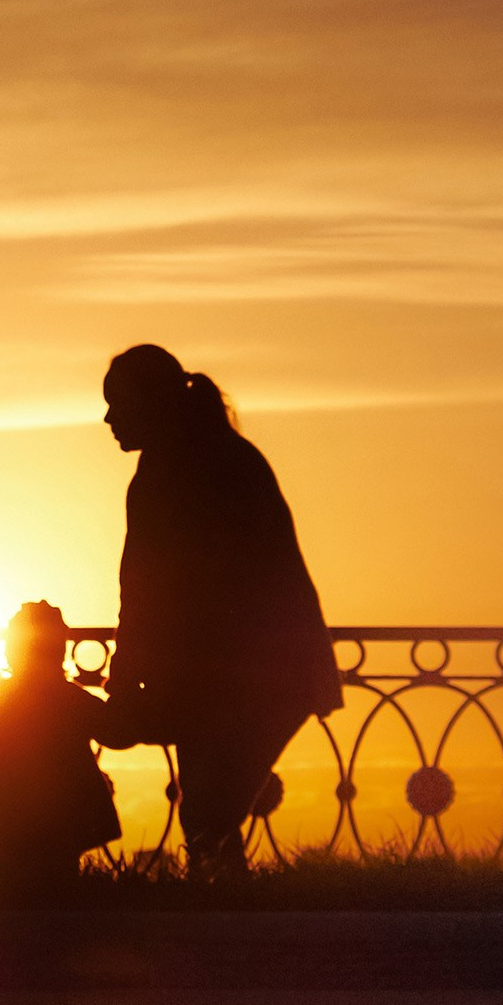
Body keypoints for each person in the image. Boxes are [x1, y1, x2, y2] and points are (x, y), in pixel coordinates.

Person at [94, 344, 341, 877]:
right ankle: (225, 904)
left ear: (151, 402)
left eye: (118, 403)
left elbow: (147, 589)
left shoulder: (177, 469)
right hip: (256, 669)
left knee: (210, 808)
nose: (109, 418)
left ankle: (222, 906)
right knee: (210, 809)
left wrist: (126, 683)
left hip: (245, 673)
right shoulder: (208, 456)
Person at [0, 602, 122, 892]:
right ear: (59, 650)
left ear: (12, 652)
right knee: (61, 883)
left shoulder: (2, 703)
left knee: (11, 885)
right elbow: (114, 731)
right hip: (64, 817)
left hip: (9, 817)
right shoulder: (69, 698)